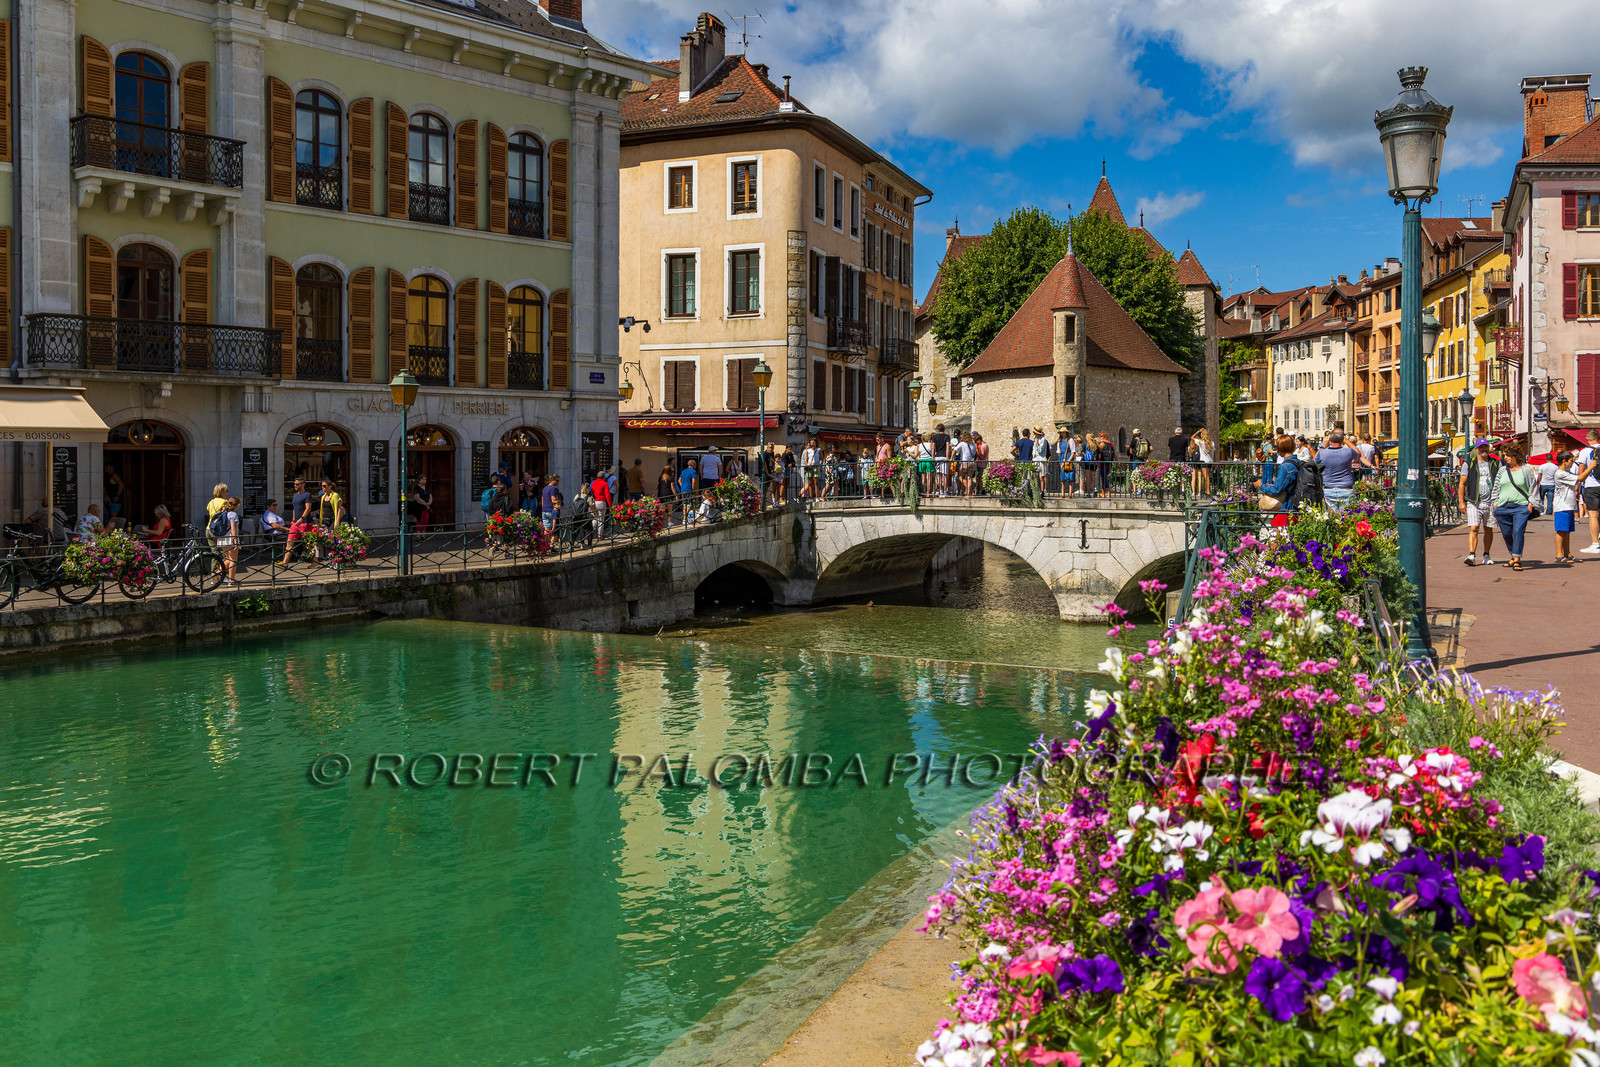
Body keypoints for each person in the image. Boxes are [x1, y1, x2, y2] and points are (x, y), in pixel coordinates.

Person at [1493, 441, 1536, 571]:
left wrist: (1531, 503)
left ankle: (1517, 559)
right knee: (1506, 533)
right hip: (1503, 506)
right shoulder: (1502, 470)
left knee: (1518, 531)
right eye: (1504, 455)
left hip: (1521, 506)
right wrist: (1495, 504)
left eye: (1508, 455)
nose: (1505, 457)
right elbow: (1496, 487)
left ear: (1516, 455)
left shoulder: (1526, 470)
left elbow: (1533, 487)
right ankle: (1513, 555)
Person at [1458, 438, 1500, 567]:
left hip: (1491, 502)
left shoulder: (1496, 463)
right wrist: (1461, 502)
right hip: (1474, 501)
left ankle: (1486, 555)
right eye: (1481, 447)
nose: (1484, 449)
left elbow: (1501, 482)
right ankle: (1472, 555)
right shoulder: (1469, 464)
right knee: (1474, 528)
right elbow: (1462, 483)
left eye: (1485, 447)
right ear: (1476, 449)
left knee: (1488, 529)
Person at [1552, 450, 1599, 564]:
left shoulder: (1567, 473)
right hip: (1561, 506)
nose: (1572, 463)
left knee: (1567, 531)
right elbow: (1580, 478)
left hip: (1568, 505)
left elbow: (1580, 476)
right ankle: (1559, 555)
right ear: (1564, 461)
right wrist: (1591, 467)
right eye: (1571, 461)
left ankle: (1567, 554)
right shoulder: (1560, 473)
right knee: (1561, 531)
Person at [1318, 431, 1365, 512]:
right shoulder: (1348, 452)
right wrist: (1347, 441)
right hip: (1345, 489)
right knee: (1348, 519)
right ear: (1341, 440)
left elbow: (1315, 460)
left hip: (1329, 489)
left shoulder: (1323, 452)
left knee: (1330, 519)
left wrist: (1323, 445)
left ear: (1330, 440)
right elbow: (1358, 453)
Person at [1260, 435, 1300, 527]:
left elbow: (1276, 490)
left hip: (1287, 508)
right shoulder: (1297, 462)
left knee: (1276, 536)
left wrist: (1261, 485)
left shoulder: (1285, 466)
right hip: (1296, 506)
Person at [1580, 430, 1600, 554]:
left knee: (1593, 515)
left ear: (1587, 438)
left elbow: (1581, 472)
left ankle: (1595, 544)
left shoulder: (1585, 451)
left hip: (1592, 486)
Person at [218, 496, 242, 585]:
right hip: (230, 538)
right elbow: (233, 529)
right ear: (237, 505)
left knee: (228, 559)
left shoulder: (223, 512)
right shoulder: (233, 514)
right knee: (233, 560)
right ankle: (231, 580)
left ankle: (217, 574)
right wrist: (235, 541)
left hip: (222, 538)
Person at [1189, 428, 1214, 497]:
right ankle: (1207, 491)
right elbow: (1213, 453)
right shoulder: (1212, 443)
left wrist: (1198, 431)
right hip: (1210, 461)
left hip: (1204, 461)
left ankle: (1208, 492)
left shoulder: (1201, 442)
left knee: (1206, 477)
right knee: (1208, 477)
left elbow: (1192, 437)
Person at [205, 483, 229, 551]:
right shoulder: (224, 502)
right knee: (224, 553)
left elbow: (208, 509)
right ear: (222, 492)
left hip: (209, 528)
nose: (227, 492)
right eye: (226, 490)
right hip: (218, 529)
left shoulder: (211, 502)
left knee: (214, 553)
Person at [1535, 451, 1558, 517]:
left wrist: (1537, 483)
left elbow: (1539, 476)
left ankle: (1541, 510)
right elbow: (1556, 476)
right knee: (1550, 499)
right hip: (1552, 484)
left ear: (1546, 459)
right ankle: (1548, 512)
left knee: (1541, 498)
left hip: (1543, 484)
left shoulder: (1542, 466)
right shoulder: (1555, 467)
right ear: (1552, 459)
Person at [956, 431, 977, 497]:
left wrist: (951, 458)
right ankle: (968, 494)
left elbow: (954, 450)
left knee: (960, 477)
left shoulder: (962, 443)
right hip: (972, 462)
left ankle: (969, 489)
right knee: (969, 478)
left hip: (964, 462)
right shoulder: (973, 444)